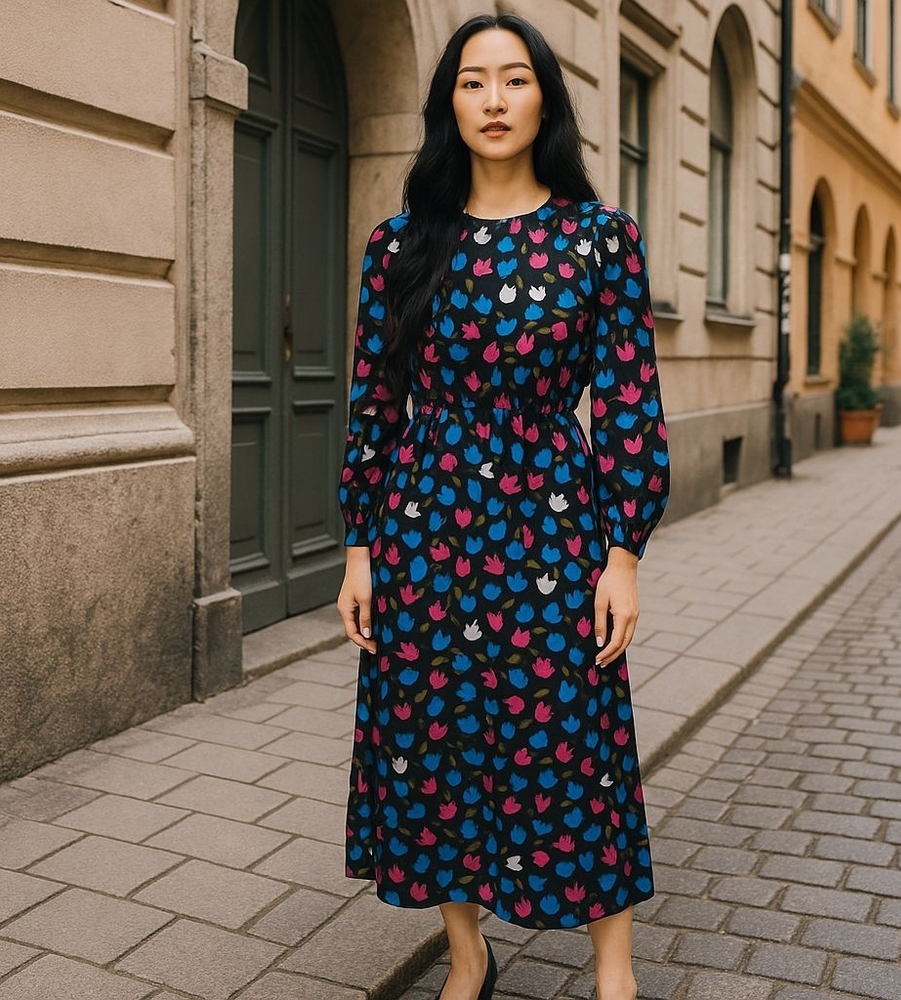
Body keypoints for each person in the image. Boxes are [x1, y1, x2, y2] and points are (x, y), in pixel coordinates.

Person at [337, 13, 670, 1000]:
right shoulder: (398, 244)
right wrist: (360, 545)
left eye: (514, 79)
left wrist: (622, 553)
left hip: (550, 526)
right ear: (449, 100)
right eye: (472, 80)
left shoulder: (598, 239)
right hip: (422, 525)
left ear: (544, 101)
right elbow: (375, 399)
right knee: (430, 738)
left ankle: (615, 970)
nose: (492, 99)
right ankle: (469, 952)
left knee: (573, 742)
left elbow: (625, 401)